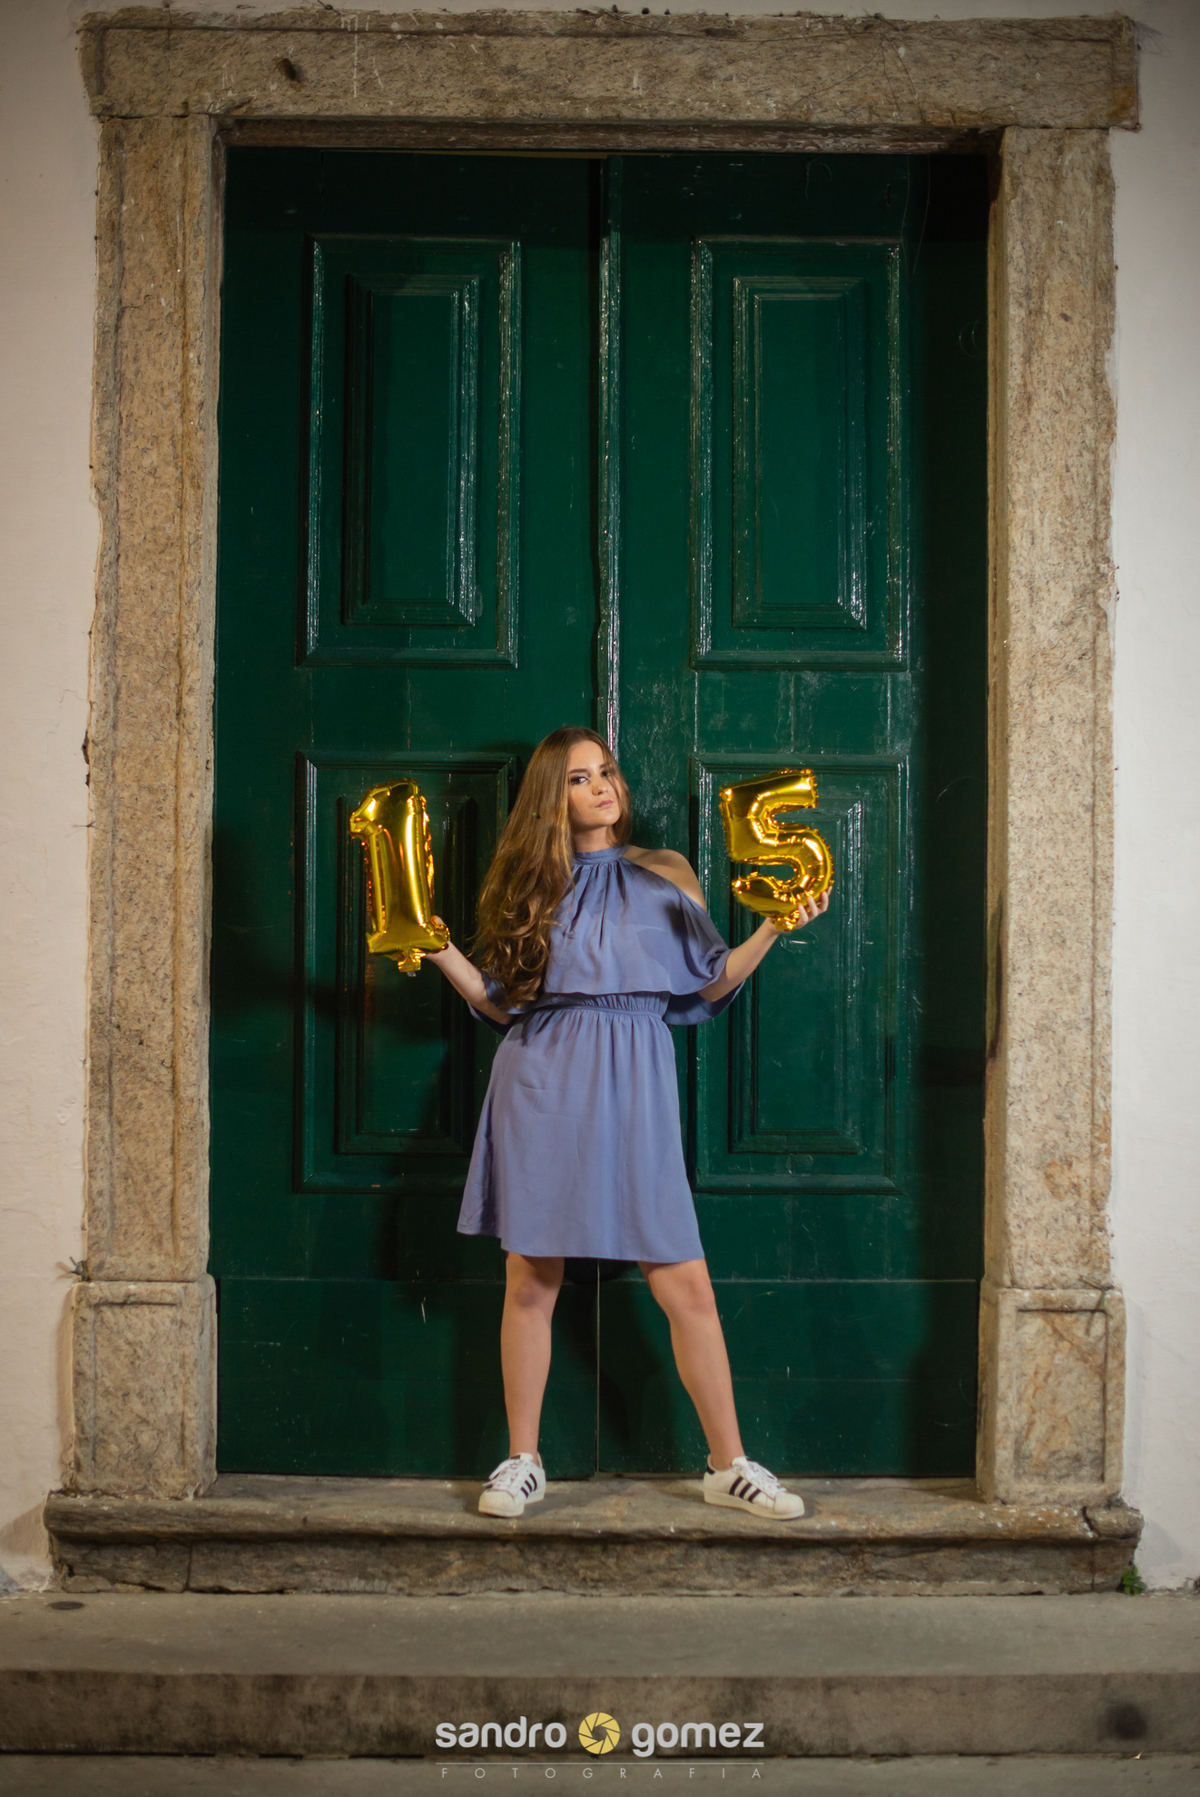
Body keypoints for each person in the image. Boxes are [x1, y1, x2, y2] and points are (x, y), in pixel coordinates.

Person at [426, 726, 829, 1520]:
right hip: (542, 1080)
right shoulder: (530, 883)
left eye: (606, 770)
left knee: (687, 1284)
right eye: (580, 778)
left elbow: (709, 983)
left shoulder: (666, 870)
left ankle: (728, 1465)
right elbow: (502, 1003)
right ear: (554, 795)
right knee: (531, 1279)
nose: (602, 786)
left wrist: (774, 927)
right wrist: (438, 949)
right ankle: (522, 1459)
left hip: (637, 1080)